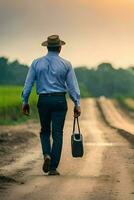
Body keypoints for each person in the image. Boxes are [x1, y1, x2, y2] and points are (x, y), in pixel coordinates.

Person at [21, 35, 81, 176]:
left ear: (47, 47)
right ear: (60, 48)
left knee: (45, 131)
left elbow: (28, 84)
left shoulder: (36, 63)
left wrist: (25, 101)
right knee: (58, 133)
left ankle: (46, 154)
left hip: (44, 100)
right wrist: (77, 103)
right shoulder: (66, 64)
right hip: (60, 100)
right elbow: (72, 87)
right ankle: (53, 167)